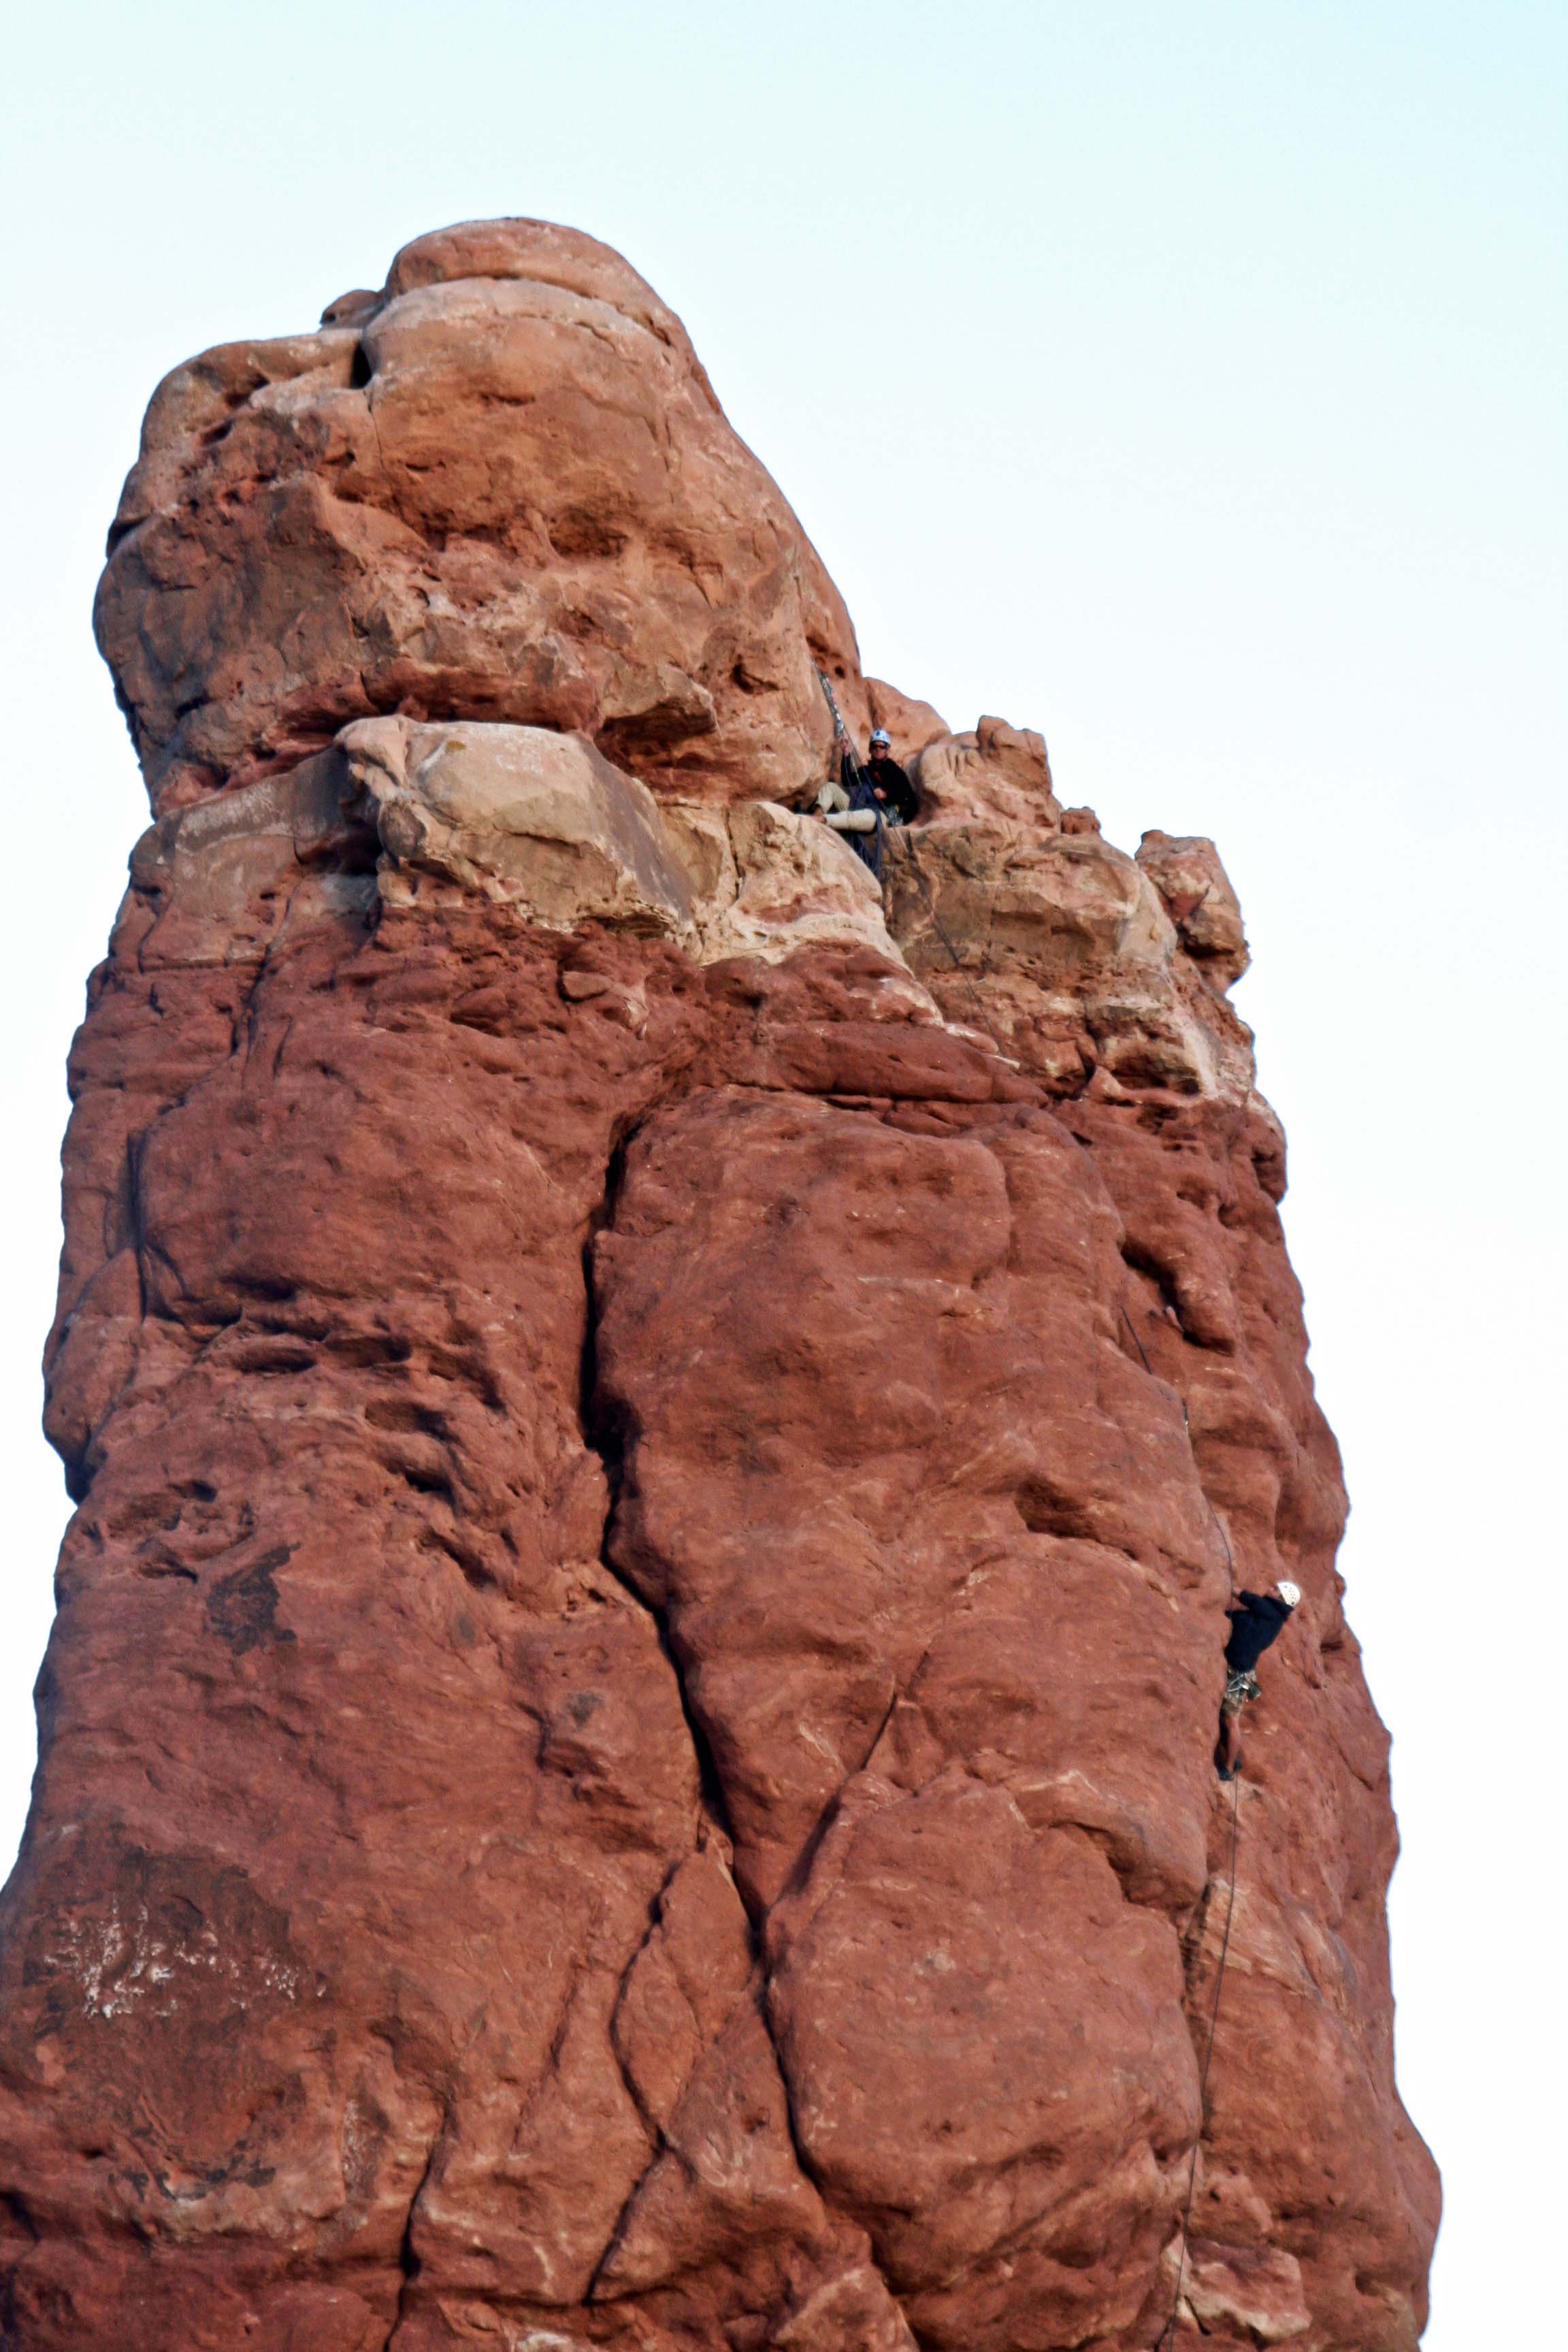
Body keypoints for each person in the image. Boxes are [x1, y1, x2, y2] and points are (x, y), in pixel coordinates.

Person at [1217, 1579, 1301, 1779]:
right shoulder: (1273, 1615)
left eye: (1275, 1589)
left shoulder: (1270, 1611)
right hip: (1240, 1669)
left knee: (1231, 1720)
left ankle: (1229, 1768)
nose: (1270, 1589)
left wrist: (1223, 1583)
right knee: (1226, 1717)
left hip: (1238, 1673)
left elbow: (1245, 1596)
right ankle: (1231, 1757)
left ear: (1281, 1597)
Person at [865, 728, 919, 823]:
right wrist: (846, 755)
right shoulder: (868, 770)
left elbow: (906, 796)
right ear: (870, 749)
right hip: (870, 808)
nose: (878, 749)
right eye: (875, 746)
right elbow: (847, 780)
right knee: (833, 788)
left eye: (882, 747)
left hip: (891, 813)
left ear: (887, 750)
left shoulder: (894, 771)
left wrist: (886, 795)